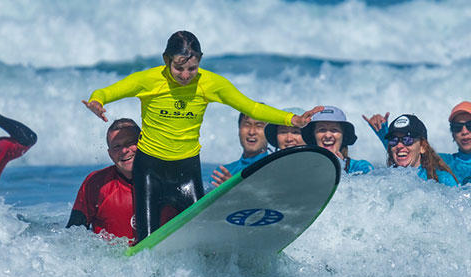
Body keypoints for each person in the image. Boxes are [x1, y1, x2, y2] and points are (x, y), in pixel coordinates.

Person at [83, 30, 323, 243]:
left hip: (186, 171)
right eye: (179, 68)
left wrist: (291, 119)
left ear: (200, 61)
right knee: (147, 241)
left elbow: (251, 107)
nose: (185, 75)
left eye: (192, 68)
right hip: (149, 171)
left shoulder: (210, 83)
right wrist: (97, 101)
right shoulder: (148, 80)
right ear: (166, 60)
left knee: (200, 238)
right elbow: (108, 91)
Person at [66, 119, 140, 241]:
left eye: (130, 143)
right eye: (117, 146)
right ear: (110, 154)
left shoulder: (165, 178)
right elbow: (72, 237)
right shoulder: (96, 183)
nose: (124, 150)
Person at [364, 113, 458, 185]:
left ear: (422, 147)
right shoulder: (384, 181)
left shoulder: (442, 180)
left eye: (407, 140)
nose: (399, 145)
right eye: (393, 140)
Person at [301, 106, 373, 174]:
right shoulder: (303, 167)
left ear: (343, 136)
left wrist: (341, 171)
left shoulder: (361, 167)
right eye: (322, 129)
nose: (328, 135)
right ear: (314, 136)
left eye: (334, 130)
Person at [209, 112, 269, 187]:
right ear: (239, 129)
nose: (251, 132)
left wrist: (235, 188)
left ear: (268, 132)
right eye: (247, 125)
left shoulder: (274, 170)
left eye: (259, 126)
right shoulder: (221, 173)